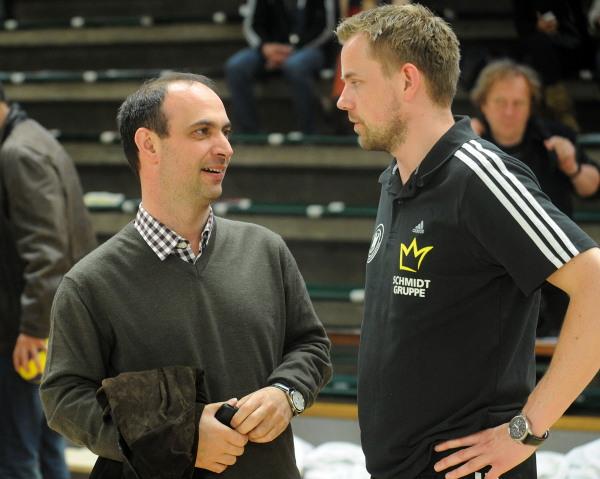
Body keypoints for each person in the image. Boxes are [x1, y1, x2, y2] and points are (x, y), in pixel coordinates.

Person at [335, 4, 600, 479]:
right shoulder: (394, 179)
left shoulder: (477, 175)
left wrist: (527, 429)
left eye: (355, 82)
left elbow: (596, 283)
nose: (342, 100)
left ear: (407, 81)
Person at [40, 72, 332, 478]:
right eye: (202, 132)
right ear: (149, 145)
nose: (225, 148)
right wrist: (179, 438)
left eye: (226, 132)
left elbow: (310, 346)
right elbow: (64, 400)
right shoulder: (90, 283)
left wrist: (287, 395)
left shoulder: (266, 250)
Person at [0, 83, 96, 478]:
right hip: (46, 323)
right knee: (44, 444)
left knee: (16, 454)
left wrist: (32, 330)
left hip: (27, 330)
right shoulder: (32, 136)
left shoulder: (18, 152)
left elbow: (47, 252)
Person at [470, 59, 600, 337]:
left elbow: (592, 186)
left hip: (553, 270)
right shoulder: (467, 142)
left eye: (518, 103)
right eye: (500, 102)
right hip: (489, 273)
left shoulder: (553, 137)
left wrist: (572, 166)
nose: (509, 111)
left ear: (531, 105)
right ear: (483, 104)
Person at [225, 0, 337, 134]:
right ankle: (250, 131)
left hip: (311, 48)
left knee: (295, 65)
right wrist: (264, 48)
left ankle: (308, 131)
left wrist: (294, 51)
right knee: (236, 67)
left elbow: (329, 27)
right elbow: (251, 25)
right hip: (267, 49)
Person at [512, 0, 596, 131]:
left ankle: (554, 112)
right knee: (540, 45)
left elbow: (581, 26)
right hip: (540, 51)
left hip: (568, 49)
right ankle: (561, 109)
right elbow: (522, 28)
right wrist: (537, 26)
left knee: (541, 51)